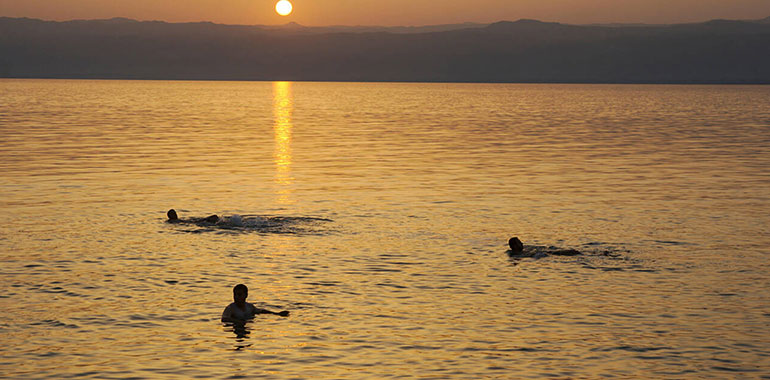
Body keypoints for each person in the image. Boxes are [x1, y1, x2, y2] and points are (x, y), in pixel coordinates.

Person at [221, 284, 289, 322]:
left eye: (239, 295)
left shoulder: (250, 307)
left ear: (246, 295)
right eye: (235, 294)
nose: (236, 297)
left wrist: (277, 314)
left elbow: (261, 311)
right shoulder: (230, 308)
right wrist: (238, 322)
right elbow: (224, 318)